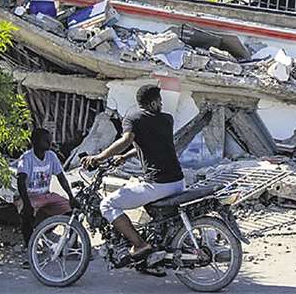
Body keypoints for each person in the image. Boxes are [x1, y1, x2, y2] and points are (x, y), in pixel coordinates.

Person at [81, 84, 184, 266]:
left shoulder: (133, 117)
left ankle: (139, 245)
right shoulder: (167, 120)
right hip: (177, 182)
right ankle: (149, 256)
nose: (161, 103)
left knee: (108, 204)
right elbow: (148, 144)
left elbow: (127, 139)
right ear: (152, 103)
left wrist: (99, 157)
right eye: (159, 101)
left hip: (158, 184)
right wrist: (124, 156)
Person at [16, 128, 76, 265]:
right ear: (35, 142)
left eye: (50, 139)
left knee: (72, 213)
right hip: (29, 196)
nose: (50, 142)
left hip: (46, 195)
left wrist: (71, 197)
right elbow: (21, 182)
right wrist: (26, 203)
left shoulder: (51, 156)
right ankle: (30, 252)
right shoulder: (26, 158)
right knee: (26, 217)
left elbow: (61, 177)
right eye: (46, 140)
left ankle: (73, 247)